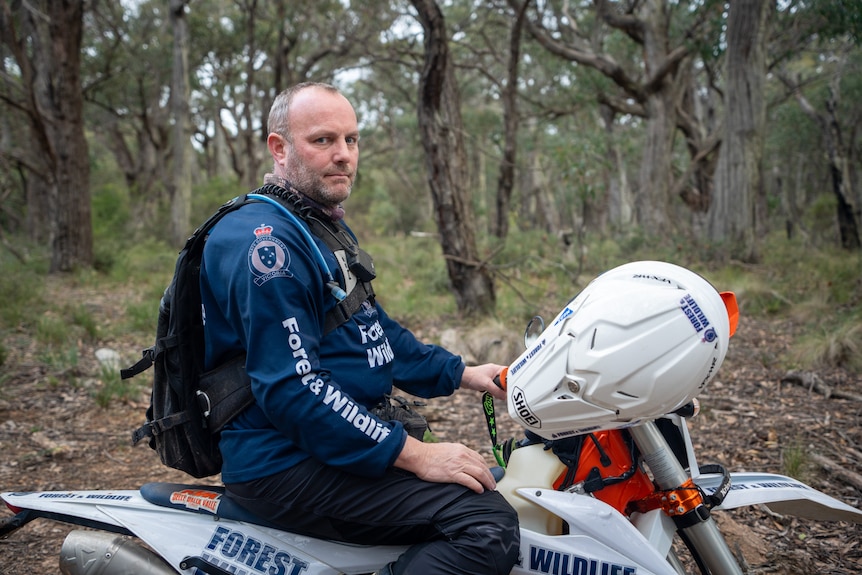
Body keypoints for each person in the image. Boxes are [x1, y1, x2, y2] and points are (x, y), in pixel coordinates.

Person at [199, 82, 520, 575]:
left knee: (495, 480)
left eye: (351, 140)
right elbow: (293, 389)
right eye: (323, 140)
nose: (344, 155)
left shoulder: (314, 224)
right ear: (279, 148)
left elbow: (373, 331)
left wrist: (467, 374)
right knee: (485, 524)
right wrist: (413, 454)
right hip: (283, 461)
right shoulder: (268, 246)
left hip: (329, 443)